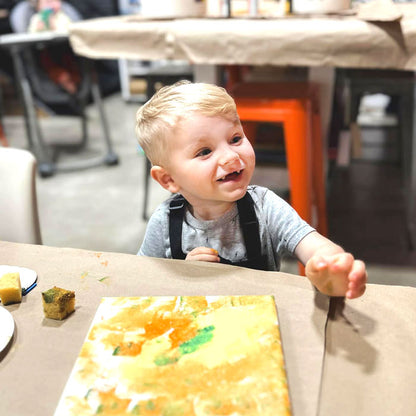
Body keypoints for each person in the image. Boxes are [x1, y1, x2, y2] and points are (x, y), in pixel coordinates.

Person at [136, 81, 367, 299]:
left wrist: (331, 266)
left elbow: (312, 244)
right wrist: (185, 277)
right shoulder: (165, 222)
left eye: (235, 138)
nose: (230, 156)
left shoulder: (264, 207)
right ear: (168, 180)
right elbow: (141, 280)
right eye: (205, 152)